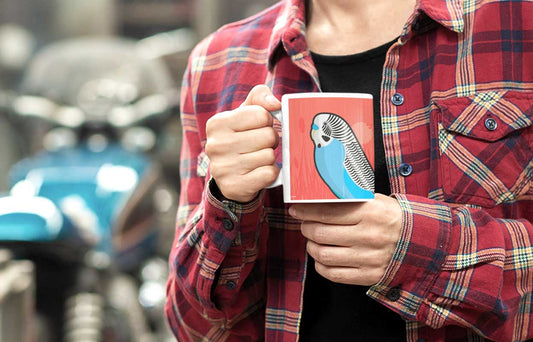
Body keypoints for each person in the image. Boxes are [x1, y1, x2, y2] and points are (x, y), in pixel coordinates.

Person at [165, 0, 533, 340]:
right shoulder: (217, 61)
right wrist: (227, 201)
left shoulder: (518, 22)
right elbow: (193, 328)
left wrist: (421, 252)